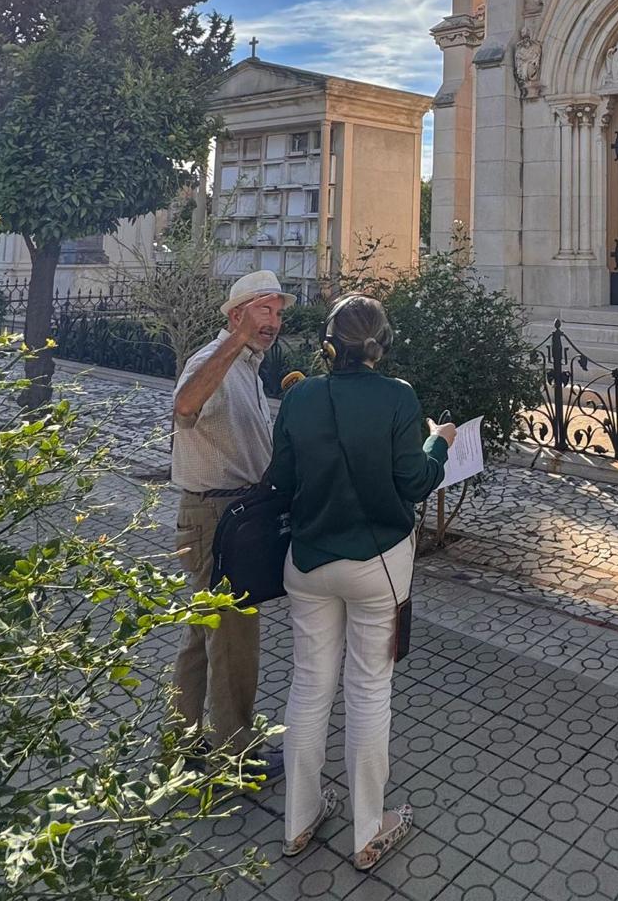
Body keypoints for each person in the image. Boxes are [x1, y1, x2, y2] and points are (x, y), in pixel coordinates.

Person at [267, 294, 456, 870]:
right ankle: (368, 830)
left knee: (307, 686)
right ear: (382, 343)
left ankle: (298, 821)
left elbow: (279, 479)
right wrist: (439, 441)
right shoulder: (398, 397)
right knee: (370, 688)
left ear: (329, 344)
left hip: (309, 560)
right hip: (378, 563)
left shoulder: (299, 396)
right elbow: (416, 480)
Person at [170, 268, 287, 777]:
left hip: (229, 516)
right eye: (264, 310)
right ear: (237, 315)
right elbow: (185, 405)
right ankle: (236, 754)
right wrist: (234, 342)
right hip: (216, 517)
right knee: (234, 638)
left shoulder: (248, 367)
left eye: (279, 313)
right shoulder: (215, 358)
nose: (274, 321)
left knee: (204, 633)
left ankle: (182, 740)